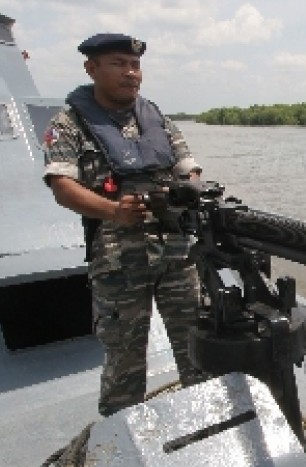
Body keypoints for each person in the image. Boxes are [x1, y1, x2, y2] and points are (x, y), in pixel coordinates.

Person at [43, 33, 204, 416]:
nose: (130, 73)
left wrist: (188, 191)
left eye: (134, 66)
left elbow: (189, 167)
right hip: (118, 259)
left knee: (196, 343)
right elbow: (62, 185)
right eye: (118, 64)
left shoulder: (156, 117)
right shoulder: (69, 124)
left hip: (176, 251)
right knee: (124, 360)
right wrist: (113, 210)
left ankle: (205, 425)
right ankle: (120, 444)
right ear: (91, 68)